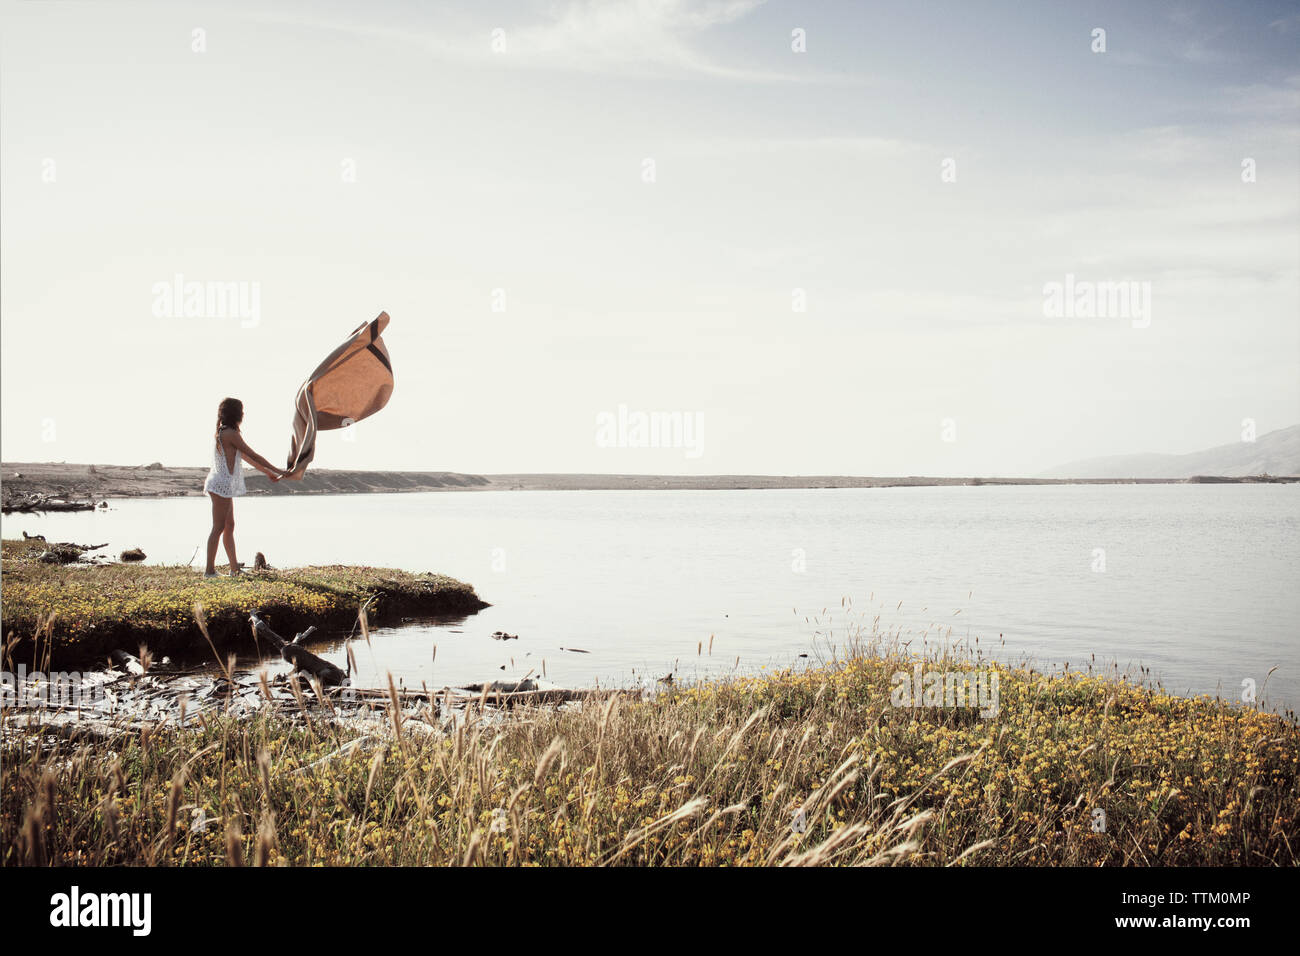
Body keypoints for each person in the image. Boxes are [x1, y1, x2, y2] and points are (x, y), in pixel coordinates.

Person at [203, 397, 285, 577]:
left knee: (229, 525)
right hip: (220, 484)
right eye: (242, 411)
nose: (244, 414)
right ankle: (209, 571)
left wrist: (269, 473)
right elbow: (253, 454)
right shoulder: (229, 433)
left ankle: (234, 569)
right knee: (218, 527)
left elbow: (246, 458)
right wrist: (279, 470)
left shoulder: (226, 432)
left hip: (222, 485)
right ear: (236, 413)